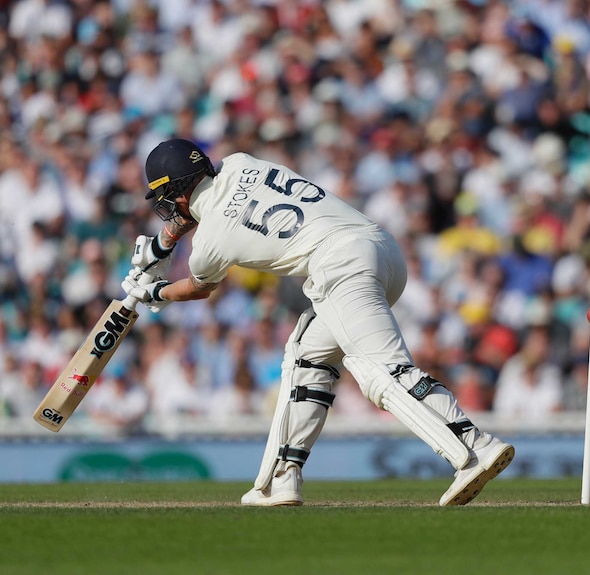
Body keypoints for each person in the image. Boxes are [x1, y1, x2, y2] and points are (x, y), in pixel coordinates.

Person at [121, 138, 514, 507]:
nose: (168, 210)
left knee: (380, 370)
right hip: (382, 250)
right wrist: (161, 244)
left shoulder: (209, 244)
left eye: (167, 201)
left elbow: (197, 288)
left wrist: (151, 292)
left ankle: (475, 445)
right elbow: (203, 207)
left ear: (177, 194)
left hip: (339, 267)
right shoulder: (241, 163)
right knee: (307, 356)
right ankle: (283, 477)